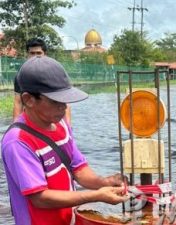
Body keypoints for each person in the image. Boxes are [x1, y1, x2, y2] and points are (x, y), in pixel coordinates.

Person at [1, 56, 129, 225]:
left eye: (65, 100)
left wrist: (104, 182)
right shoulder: (18, 142)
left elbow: (78, 169)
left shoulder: (60, 125)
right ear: (28, 99)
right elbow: (40, 198)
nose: (63, 107)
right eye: (55, 101)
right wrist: (96, 196)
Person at [12, 38, 72, 124]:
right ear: (27, 55)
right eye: (32, 53)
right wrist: (15, 125)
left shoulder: (55, 73)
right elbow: (18, 102)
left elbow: (65, 103)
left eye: (39, 53)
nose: (35, 56)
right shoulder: (21, 76)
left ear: (45, 54)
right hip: (33, 122)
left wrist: (68, 128)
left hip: (54, 120)